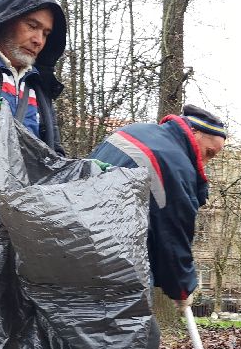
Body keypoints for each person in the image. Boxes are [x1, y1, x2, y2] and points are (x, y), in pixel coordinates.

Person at [90, 105, 227, 306]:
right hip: (119, 267)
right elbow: (172, 234)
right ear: (194, 131)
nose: (205, 162)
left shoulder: (132, 131)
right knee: (129, 324)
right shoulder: (175, 165)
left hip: (76, 243)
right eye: (208, 152)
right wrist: (182, 288)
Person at [0, 0, 67, 156]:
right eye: (32, 26)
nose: (39, 40)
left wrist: (83, 168)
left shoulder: (40, 86)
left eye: (46, 34)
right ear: (6, 20)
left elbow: (54, 156)